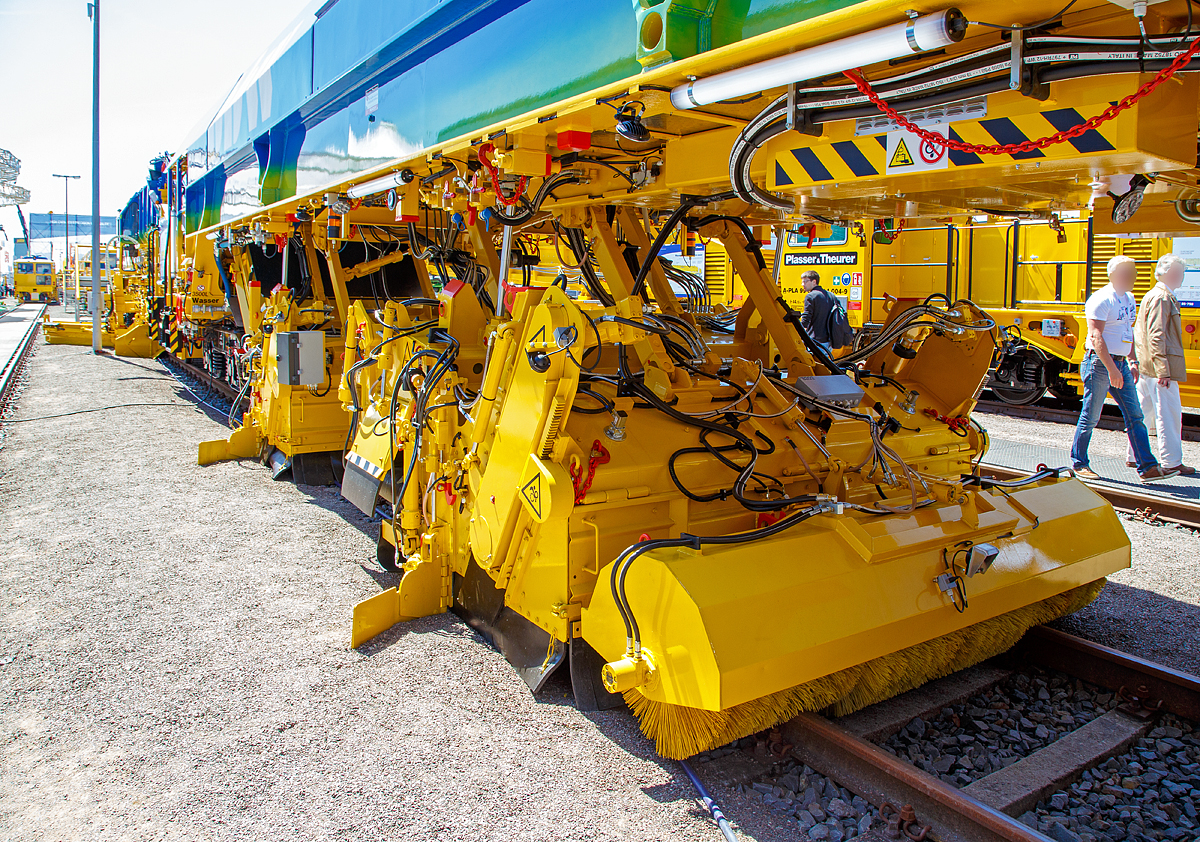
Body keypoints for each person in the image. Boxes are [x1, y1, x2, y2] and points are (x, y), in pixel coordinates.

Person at [1071, 255, 1175, 482]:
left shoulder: (1128, 298)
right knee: (1090, 416)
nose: (1133, 277)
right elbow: (1096, 336)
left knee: (1135, 414)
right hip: (1099, 364)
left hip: (1119, 363)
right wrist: (1112, 370)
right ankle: (1079, 463)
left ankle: (1147, 467)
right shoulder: (1101, 299)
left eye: (1134, 273)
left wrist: (1132, 361)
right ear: (1112, 275)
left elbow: (1127, 333)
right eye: (1127, 273)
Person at [1127, 254, 1193, 475]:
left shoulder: (1153, 295)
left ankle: (1133, 456)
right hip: (1158, 368)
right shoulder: (1163, 297)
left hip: (1147, 365)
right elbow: (1157, 335)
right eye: (1178, 273)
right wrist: (1163, 369)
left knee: (1144, 413)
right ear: (1166, 272)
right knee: (1169, 414)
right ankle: (1172, 461)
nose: (1180, 277)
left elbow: (1141, 332)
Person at [799, 269, 834, 353]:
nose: (802, 284)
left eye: (805, 281)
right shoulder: (830, 295)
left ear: (814, 282)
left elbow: (806, 318)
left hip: (816, 339)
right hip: (829, 340)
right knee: (825, 364)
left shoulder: (810, 296)